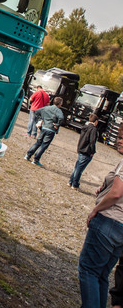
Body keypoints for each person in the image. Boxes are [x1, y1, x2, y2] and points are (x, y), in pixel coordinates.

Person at [78, 125, 123, 308]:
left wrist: (96, 209)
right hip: (120, 229)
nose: (120, 140)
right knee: (102, 274)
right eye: (120, 136)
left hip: (109, 221)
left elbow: (117, 193)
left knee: (88, 271)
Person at [24, 96, 64, 166]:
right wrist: (57, 125)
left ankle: (28, 155)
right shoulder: (58, 110)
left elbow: (37, 112)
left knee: (38, 142)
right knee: (44, 145)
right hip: (51, 129)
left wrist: (40, 119)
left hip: (44, 127)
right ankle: (36, 160)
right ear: (60, 103)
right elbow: (61, 118)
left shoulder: (46, 108)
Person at [68, 113, 99, 191]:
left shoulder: (85, 127)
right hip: (87, 151)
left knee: (77, 167)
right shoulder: (93, 129)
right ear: (95, 121)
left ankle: (70, 181)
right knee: (79, 169)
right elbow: (92, 141)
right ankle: (75, 184)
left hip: (81, 148)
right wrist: (92, 151)